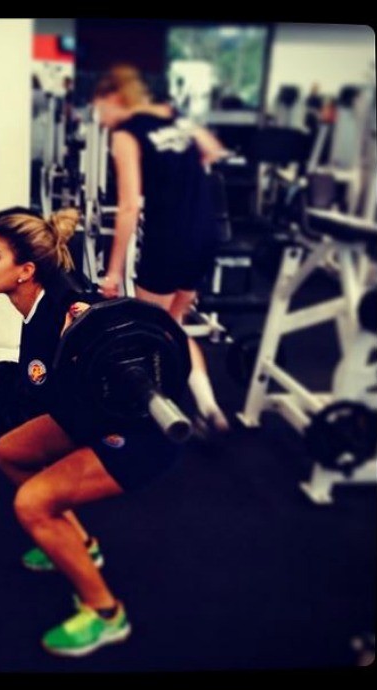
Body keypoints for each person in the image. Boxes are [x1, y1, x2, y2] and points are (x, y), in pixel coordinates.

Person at [0, 206, 185, 656]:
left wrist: (92, 335)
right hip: (88, 414)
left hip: (138, 434)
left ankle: (106, 612)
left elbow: (136, 352)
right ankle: (82, 543)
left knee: (31, 504)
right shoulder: (38, 305)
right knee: (10, 453)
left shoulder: (70, 310)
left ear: (25, 271)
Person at [92, 63, 230, 437]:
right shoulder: (175, 118)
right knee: (175, 323)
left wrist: (114, 271)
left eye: (101, 108)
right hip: (205, 233)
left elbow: (128, 208)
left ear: (117, 98)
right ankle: (210, 409)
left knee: (149, 332)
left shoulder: (126, 134)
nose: (101, 119)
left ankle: (155, 415)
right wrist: (181, 172)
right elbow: (213, 150)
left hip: (168, 240)